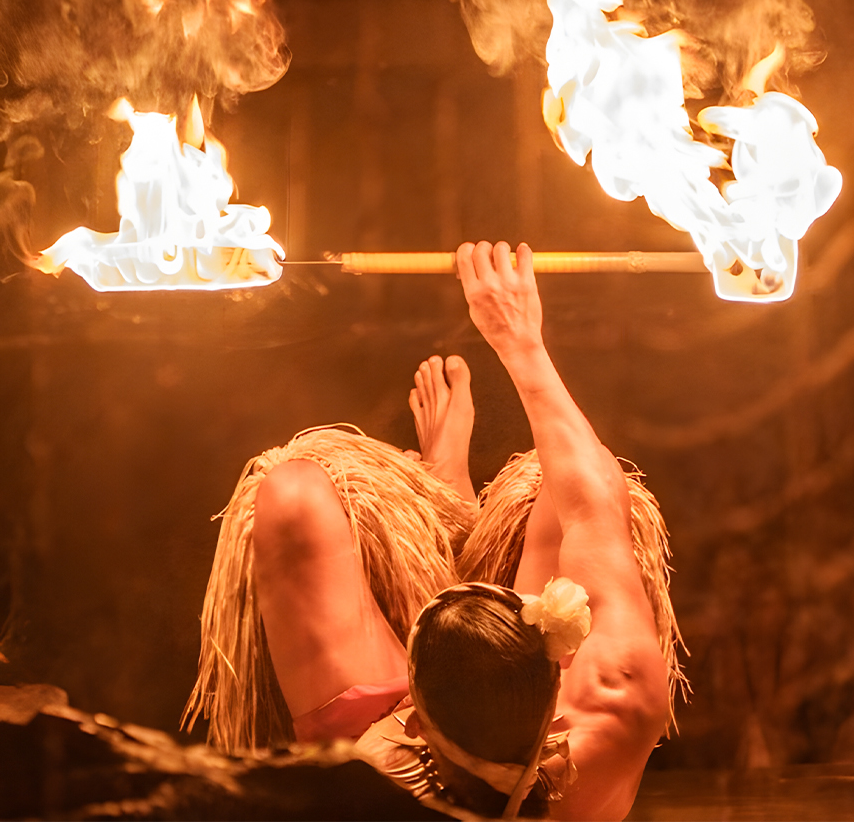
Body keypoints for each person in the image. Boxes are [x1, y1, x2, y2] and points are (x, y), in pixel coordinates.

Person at [184, 242, 682, 819]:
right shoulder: (614, 699)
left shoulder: (367, 780)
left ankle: (443, 497)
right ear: (557, 665)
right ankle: (454, 507)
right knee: (561, 484)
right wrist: (519, 341)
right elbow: (595, 499)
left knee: (291, 495)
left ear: (412, 714)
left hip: (394, 785)